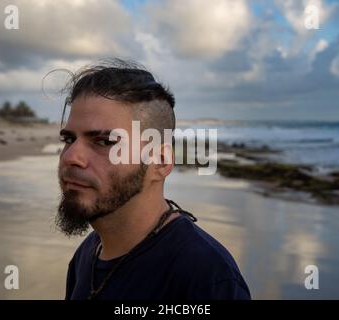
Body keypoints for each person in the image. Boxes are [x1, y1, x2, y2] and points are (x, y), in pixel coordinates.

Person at [56, 59, 250, 300]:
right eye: (69, 139)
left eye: (105, 142)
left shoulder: (205, 276)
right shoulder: (87, 255)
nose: (72, 157)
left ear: (160, 162)